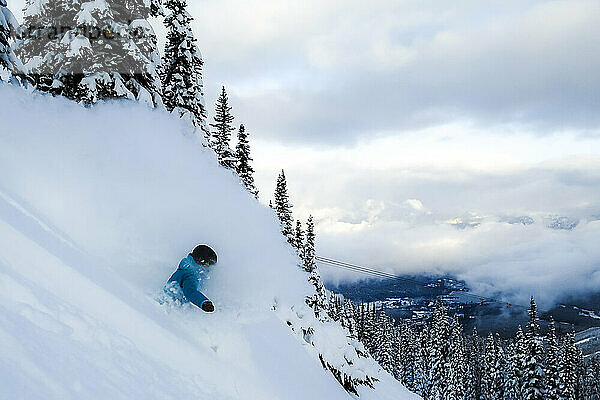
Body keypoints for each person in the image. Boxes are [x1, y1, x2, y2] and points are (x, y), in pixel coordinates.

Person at [167, 244, 217, 312]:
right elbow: (191, 292)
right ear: (201, 262)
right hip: (172, 308)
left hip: (171, 304)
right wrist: (204, 302)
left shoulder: (186, 269)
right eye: (208, 265)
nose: (209, 269)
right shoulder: (190, 274)